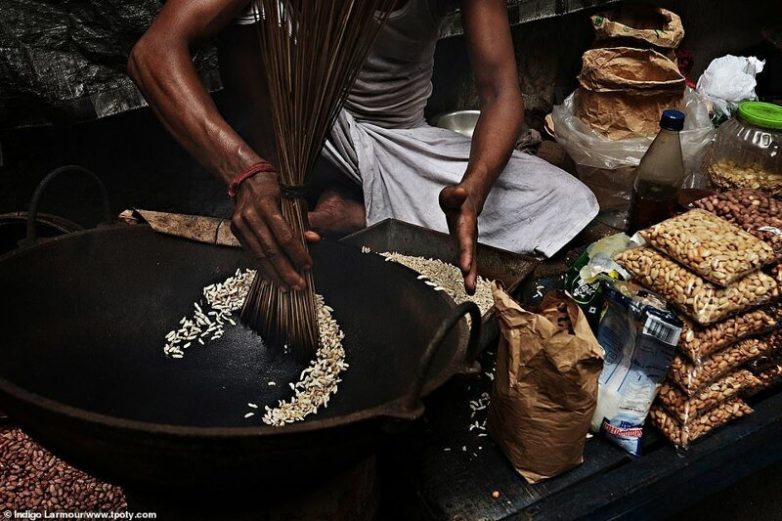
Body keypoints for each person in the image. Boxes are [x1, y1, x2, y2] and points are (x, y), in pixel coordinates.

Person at [128, 0, 598, 294]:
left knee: (564, 198)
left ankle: (352, 215)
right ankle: (311, 201)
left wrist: (473, 190)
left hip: (398, 145)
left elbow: (500, 94)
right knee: (253, 29)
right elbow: (154, 54)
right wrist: (246, 172)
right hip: (306, 133)